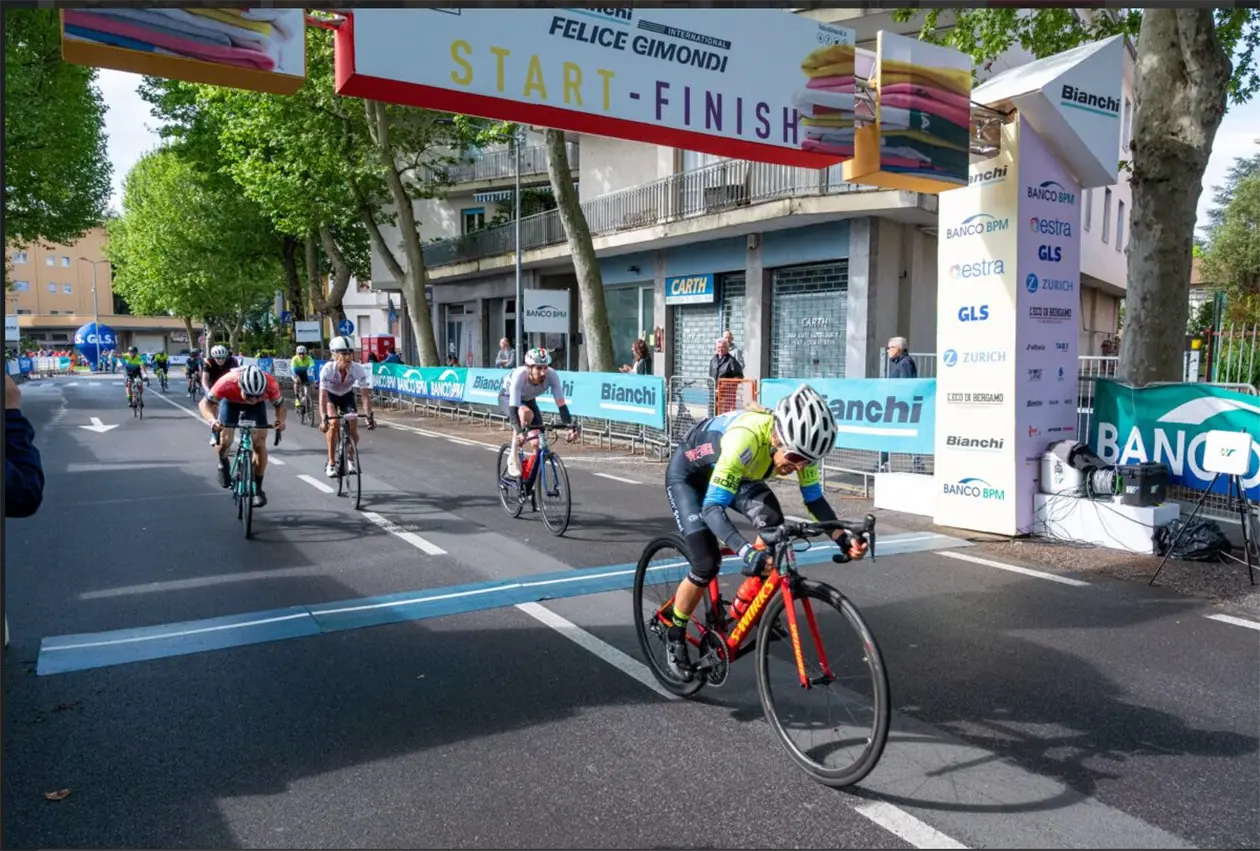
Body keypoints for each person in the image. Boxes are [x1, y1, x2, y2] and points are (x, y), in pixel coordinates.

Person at [661, 384, 868, 681]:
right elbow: (712, 509)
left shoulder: (798, 449)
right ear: (777, 437)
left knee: (774, 524)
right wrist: (746, 552)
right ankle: (675, 631)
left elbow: (815, 501)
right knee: (706, 562)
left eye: (807, 462)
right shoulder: (744, 440)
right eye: (795, 459)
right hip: (690, 476)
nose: (799, 467)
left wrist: (843, 539)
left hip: (736, 473)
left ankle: (743, 607)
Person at [200, 363, 286, 507]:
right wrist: (212, 420)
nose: (252, 399)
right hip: (231, 402)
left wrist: (280, 421)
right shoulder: (226, 382)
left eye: (256, 395)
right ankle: (222, 462)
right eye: (249, 395)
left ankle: (257, 489)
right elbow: (204, 404)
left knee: (259, 443)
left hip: (256, 408)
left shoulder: (270, 383)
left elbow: (280, 406)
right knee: (225, 439)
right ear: (240, 386)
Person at [498, 347, 578, 478]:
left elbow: (561, 405)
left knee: (537, 444)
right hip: (508, 398)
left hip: (529, 400)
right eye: (538, 368)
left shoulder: (552, 375)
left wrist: (569, 426)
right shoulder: (519, 375)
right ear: (529, 368)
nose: (543, 373)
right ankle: (513, 455)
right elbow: (514, 409)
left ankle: (529, 480)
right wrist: (519, 431)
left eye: (545, 367)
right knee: (525, 412)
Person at [318, 336, 375, 477]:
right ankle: (331, 463)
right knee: (333, 423)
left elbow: (364, 395)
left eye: (351, 353)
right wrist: (323, 417)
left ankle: (350, 457)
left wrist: (369, 415)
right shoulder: (327, 369)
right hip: (331, 397)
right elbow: (323, 396)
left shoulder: (358, 369)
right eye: (344, 354)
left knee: (353, 427)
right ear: (335, 355)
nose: (348, 357)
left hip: (347, 396)